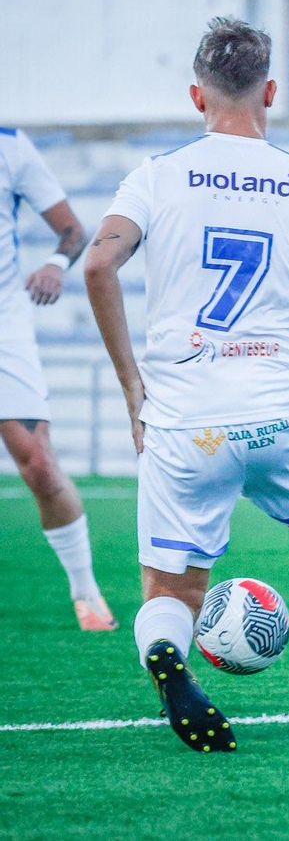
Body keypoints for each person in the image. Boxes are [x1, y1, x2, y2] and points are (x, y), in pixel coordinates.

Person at [84, 16, 289, 750]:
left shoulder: (156, 175)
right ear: (272, 91)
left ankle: (170, 654)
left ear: (198, 95)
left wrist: (133, 387)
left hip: (187, 418)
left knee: (172, 589)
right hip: (281, 415)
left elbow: (98, 266)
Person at [0, 126, 118, 631]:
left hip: (6, 321)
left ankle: (86, 593)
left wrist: (53, 265)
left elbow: (72, 231)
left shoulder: (10, 144)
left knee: (40, 465)